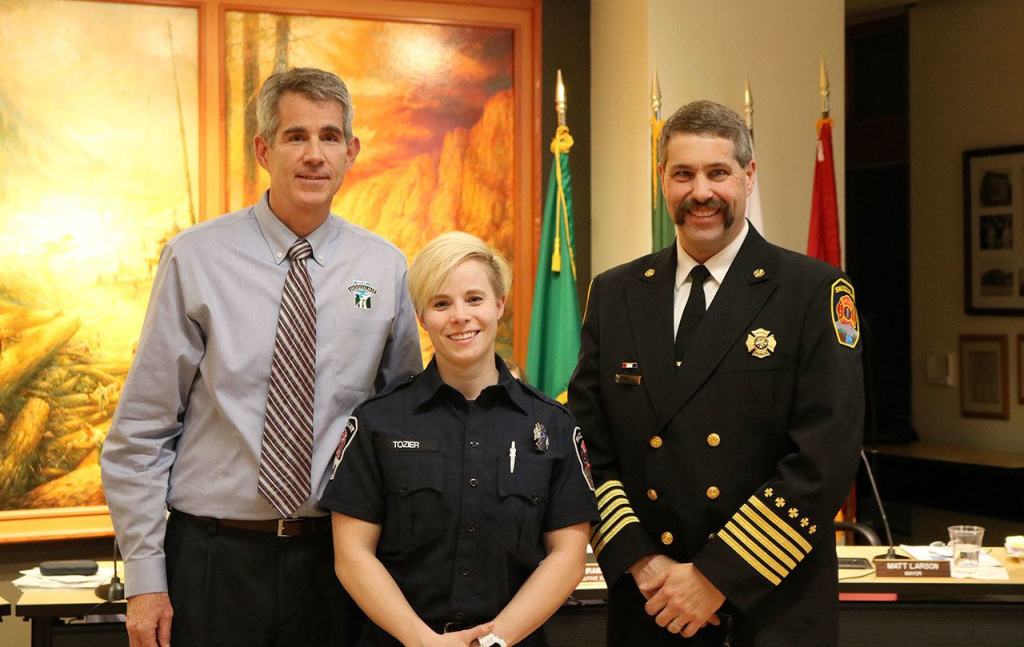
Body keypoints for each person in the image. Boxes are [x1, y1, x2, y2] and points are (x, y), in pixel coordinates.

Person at [100, 67, 422, 647]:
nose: (314, 154)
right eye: (296, 136)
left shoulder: (384, 267)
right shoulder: (195, 259)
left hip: (338, 565)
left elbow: (402, 428)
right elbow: (141, 434)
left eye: (329, 137)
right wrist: (145, 582)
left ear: (350, 152)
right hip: (214, 563)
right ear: (263, 150)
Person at [568, 100, 864, 646]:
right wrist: (641, 562)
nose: (700, 192)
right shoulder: (615, 293)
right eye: (683, 174)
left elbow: (824, 456)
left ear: (749, 176)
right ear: (663, 180)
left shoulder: (811, 291)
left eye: (718, 173)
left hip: (768, 606)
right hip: (651, 602)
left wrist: (714, 577)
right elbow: (587, 445)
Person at [319, 232, 597, 647]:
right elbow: (352, 555)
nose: (460, 316)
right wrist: (424, 642)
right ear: (421, 316)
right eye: (441, 304)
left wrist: (491, 642)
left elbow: (568, 558)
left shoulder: (551, 425)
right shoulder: (378, 421)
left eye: (474, 299)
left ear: (499, 304)